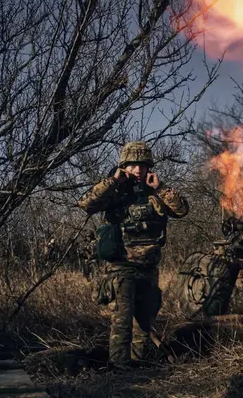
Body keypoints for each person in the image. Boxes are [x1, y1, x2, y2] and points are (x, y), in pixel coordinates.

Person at [77, 141, 189, 369]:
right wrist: (113, 181)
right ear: (123, 167)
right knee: (122, 320)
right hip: (121, 267)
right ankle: (119, 367)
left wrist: (161, 188)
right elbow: (86, 204)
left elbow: (181, 210)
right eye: (132, 165)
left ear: (149, 167)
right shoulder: (114, 192)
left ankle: (138, 364)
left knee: (144, 322)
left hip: (149, 267)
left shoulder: (155, 193)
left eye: (142, 165)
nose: (138, 170)